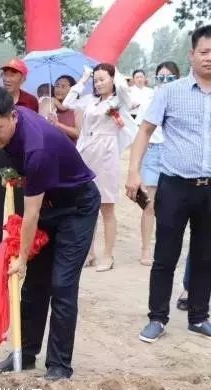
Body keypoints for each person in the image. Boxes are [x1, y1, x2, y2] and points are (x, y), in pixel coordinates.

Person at [0, 86, 99, 380]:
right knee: (34, 285)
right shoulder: (11, 126)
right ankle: (26, 354)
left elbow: (30, 215)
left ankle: (59, 365)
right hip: (48, 203)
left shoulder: (36, 148)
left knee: (62, 284)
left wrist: (22, 258)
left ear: (12, 116)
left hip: (76, 208)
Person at [126, 25, 211, 343]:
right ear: (192, 54)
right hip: (175, 186)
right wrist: (133, 171)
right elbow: (145, 131)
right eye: (204, 51)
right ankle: (157, 317)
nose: (209, 58)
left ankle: (199, 316)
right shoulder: (170, 92)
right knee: (165, 255)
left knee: (205, 255)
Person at [64, 64, 135, 271]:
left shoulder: (118, 101)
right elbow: (68, 103)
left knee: (106, 206)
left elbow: (124, 91)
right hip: (87, 151)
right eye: (96, 80)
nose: (98, 83)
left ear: (113, 79)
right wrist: (84, 78)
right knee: (87, 205)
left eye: (102, 79)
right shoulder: (90, 100)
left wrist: (115, 71)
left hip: (106, 153)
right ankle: (89, 252)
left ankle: (108, 255)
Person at [0, 59, 37, 261]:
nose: (7, 78)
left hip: (20, 151)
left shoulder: (30, 100)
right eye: (5, 74)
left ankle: (18, 239)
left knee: (21, 193)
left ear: (23, 78)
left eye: (13, 74)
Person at [137, 62, 180, 266]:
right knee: (149, 204)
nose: (164, 82)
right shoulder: (148, 99)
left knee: (172, 206)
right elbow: (141, 131)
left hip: (174, 154)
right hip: (153, 153)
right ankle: (146, 249)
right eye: (160, 78)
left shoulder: (182, 99)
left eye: (169, 78)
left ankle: (166, 249)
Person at [50, 75, 80, 143]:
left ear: (72, 89)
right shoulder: (51, 106)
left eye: (63, 87)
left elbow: (78, 133)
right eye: (57, 86)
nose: (59, 90)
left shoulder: (77, 108)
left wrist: (57, 124)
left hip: (70, 148)